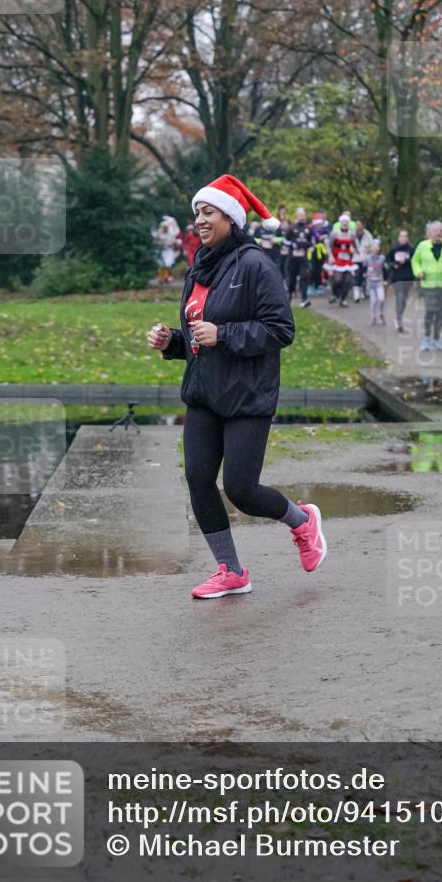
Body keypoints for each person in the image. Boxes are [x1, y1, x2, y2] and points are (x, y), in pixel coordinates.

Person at [146, 174, 327, 599]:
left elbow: (281, 330)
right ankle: (230, 570)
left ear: (230, 216)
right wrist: (172, 341)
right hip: (205, 394)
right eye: (197, 214)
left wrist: (224, 335)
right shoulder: (198, 268)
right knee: (198, 478)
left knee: (242, 490)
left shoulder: (255, 264)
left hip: (246, 396)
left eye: (208, 212)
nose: (200, 221)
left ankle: (302, 522)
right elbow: (198, 335)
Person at [411, 221, 442, 351]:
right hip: (427, 284)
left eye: (440, 230)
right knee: (430, 311)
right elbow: (415, 261)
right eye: (435, 230)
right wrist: (418, 272)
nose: (438, 233)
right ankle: (426, 338)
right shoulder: (422, 246)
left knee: (439, 313)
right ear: (430, 232)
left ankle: (436, 339)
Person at [386, 229, 415, 333]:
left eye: (405, 236)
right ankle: (399, 320)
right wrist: (393, 265)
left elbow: (415, 261)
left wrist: (407, 261)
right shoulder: (394, 249)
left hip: (408, 277)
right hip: (397, 277)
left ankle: (399, 316)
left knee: (404, 299)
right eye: (402, 236)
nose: (403, 238)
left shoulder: (411, 249)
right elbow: (387, 260)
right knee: (400, 296)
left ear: (407, 238)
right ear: (398, 238)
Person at [286, 207, 313, 308]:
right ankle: (288, 298)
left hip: (303, 258)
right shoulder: (291, 227)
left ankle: (304, 299)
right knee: (291, 278)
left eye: (304, 215)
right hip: (293, 258)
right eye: (301, 215)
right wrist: (292, 244)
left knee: (304, 277)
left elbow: (312, 242)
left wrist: (309, 246)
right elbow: (284, 240)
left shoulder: (308, 229)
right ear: (297, 216)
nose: (303, 217)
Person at [328, 213, 357, 307]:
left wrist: (354, 251)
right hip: (337, 259)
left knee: (348, 280)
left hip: (348, 260)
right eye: (343, 221)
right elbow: (329, 246)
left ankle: (343, 299)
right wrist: (330, 256)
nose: (345, 223)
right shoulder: (335, 233)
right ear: (340, 223)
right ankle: (334, 294)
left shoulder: (352, 234)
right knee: (338, 280)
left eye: (346, 222)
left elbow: (356, 246)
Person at [152, 215, 182, 282]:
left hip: (169, 251)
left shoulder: (171, 234)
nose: (165, 228)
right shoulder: (159, 234)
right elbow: (156, 241)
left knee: (168, 264)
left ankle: (167, 277)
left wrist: (172, 244)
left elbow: (175, 242)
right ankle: (161, 278)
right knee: (161, 265)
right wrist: (160, 243)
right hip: (161, 251)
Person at [365, 238, 387, 324]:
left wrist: (385, 279)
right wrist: (365, 274)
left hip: (379, 281)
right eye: (374, 247)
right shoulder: (367, 259)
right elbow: (363, 269)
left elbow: (385, 269)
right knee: (373, 301)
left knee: (381, 299)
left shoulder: (382, 258)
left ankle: (380, 313)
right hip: (370, 282)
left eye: (377, 247)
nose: (375, 248)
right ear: (371, 248)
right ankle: (373, 316)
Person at [277, 204, 291, 279]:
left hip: (288, 248)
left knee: (287, 267)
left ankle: (286, 282)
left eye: (284, 211)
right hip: (279, 248)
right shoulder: (276, 221)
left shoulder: (288, 221)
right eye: (281, 211)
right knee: (280, 265)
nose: (283, 212)